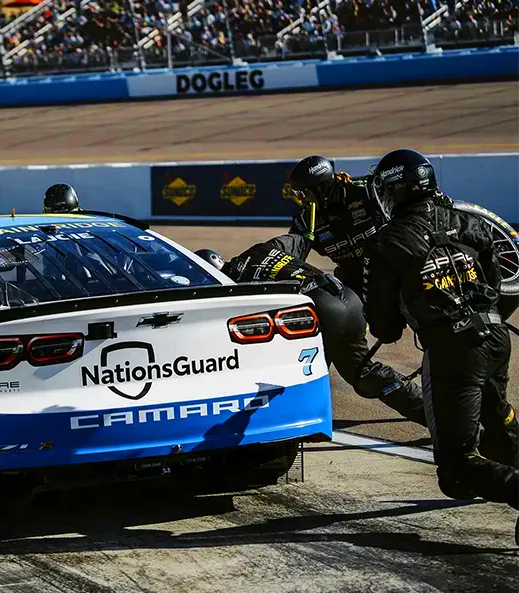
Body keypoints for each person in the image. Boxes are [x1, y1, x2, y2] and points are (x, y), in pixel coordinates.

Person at [363, 148, 518, 526]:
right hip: (496, 336)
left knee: (457, 466)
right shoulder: (469, 220)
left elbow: (383, 326)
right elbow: (497, 283)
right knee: (498, 422)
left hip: (454, 352)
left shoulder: (386, 243)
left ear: (395, 191)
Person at [196, 243, 426, 426]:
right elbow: (300, 239)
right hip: (349, 301)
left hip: (323, 313)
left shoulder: (232, 288)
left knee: (298, 374)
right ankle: (431, 416)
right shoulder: (260, 249)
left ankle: (290, 423)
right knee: (364, 373)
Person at [283, 155, 386, 297]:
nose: (300, 199)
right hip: (352, 285)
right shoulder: (304, 220)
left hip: (391, 274)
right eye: (296, 193)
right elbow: (289, 259)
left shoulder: (367, 192)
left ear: (322, 188)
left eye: (303, 192)